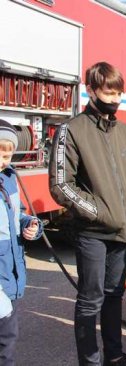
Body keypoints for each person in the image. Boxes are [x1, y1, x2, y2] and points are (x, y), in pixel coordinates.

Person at [49, 61, 126, 366]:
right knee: (90, 301)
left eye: (119, 93)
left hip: (123, 232)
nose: (115, 99)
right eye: (109, 92)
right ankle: (90, 361)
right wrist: (99, 211)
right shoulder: (71, 130)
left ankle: (114, 356)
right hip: (92, 233)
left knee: (115, 296)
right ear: (91, 90)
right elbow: (61, 185)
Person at [0, 120, 43, 366]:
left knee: (7, 337)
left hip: (10, 271)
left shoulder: (8, 178)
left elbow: (19, 214)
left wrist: (30, 226)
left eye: (7, 155)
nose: (4, 161)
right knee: (5, 337)